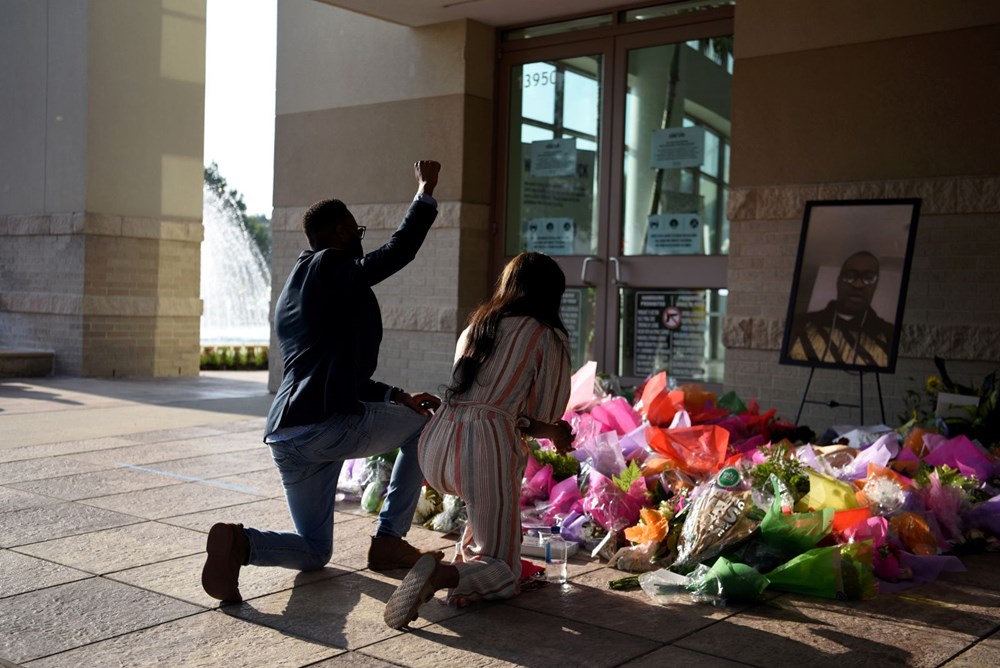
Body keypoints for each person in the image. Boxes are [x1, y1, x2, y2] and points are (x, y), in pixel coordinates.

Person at [201, 160, 445, 603]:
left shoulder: (298, 289)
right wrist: (424, 192)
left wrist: (395, 395)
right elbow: (397, 253)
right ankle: (389, 538)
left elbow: (335, 373)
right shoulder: (329, 264)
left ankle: (241, 544)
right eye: (355, 231)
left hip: (287, 436)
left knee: (316, 551)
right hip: (324, 426)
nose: (359, 240)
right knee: (424, 427)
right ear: (337, 232)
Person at [383, 252, 574, 629]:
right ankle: (443, 577)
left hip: (437, 445)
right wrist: (557, 432)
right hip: (484, 449)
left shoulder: (476, 326)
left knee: (488, 514)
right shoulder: (545, 335)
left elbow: (484, 398)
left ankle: (467, 563)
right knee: (505, 568)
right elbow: (544, 414)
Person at [787, 250, 894, 367]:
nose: (858, 284)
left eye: (869, 277)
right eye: (850, 276)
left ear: (875, 286)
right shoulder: (798, 323)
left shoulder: (890, 334)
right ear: (838, 282)